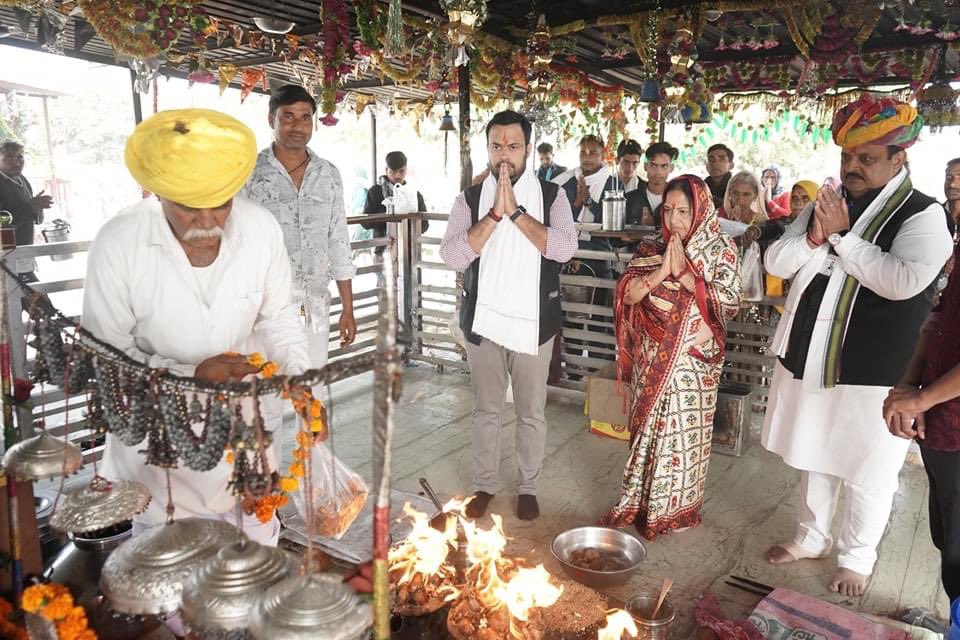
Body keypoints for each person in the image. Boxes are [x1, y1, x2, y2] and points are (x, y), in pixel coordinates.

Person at [82, 109, 311, 545]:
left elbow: (279, 316)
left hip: (245, 435)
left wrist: (298, 375)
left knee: (256, 560)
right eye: (189, 208)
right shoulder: (119, 242)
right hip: (161, 449)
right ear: (157, 193)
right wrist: (191, 375)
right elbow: (104, 355)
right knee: (168, 575)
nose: (207, 224)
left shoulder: (260, 229)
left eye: (221, 206)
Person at [761, 96, 953, 597]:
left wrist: (842, 240)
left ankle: (857, 557)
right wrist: (812, 236)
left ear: (898, 159)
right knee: (813, 453)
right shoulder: (827, 201)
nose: (852, 167)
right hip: (810, 357)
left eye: (866, 158)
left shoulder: (924, 214)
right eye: (848, 157)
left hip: (878, 370)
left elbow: (902, 281)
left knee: (868, 468)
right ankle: (811, 536)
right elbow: (778, 264)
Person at [440, 110, 577, 520]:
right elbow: (452, 255)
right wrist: (495, 215)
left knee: (531, 411)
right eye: (497, 146)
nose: (505, 155)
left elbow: (564, 249)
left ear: (528, 150)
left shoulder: (554, 196)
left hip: (535, 322)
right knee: (486, 409)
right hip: (483, 322)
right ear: (487, 148)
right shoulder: (469, 199)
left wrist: (517, 213)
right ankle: (484, 484)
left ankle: (528, 486)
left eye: (513, 146)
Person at [600, 175, 741, 538]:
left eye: (683, 211)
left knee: (681, 436)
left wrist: (687, 277)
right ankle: (638, 502)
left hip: (695, 362)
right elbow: (627, 296)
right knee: (646, 428)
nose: (675, 219)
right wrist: (663, 270)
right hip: (652, 354)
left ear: (701, 210)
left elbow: (731, 301)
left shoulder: (720, 249)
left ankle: (675, 510)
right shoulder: (651, 247)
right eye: (668, 210)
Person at [242, 84, 357, 369]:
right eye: (288, 116)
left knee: (310, 394)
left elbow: (338, 241)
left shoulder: (328, 174)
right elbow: (238, 242)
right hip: (263, 311)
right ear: (272, 120)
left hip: (315, 309)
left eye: (306, 117)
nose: (298, 126)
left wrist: (348, 308)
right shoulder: (249, 173)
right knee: (265, 398)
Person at [883, 232, 960, 604]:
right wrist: (910, 386)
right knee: (949, 540)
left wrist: (924, 396)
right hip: (942, 427)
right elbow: (941, 313)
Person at [0, 141, 52, 281]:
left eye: (20, 157)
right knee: (34, 299)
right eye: (9, 157)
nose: (16, 162)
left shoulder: (22, 179)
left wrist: (38, 208)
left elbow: (33, 217)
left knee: (32, 299)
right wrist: (31, 208)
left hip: (24, 253)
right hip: (6, 258)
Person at [361, 150, 428, 253]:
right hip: (383, 248)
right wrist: (388, 216)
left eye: (401, 171)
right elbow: (365, 223)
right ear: (386, 170)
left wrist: (408, 223)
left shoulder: (414, 194)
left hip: (409, 251)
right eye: (393, 171)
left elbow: (424, 225)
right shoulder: (375, 192)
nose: (397, 175)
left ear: (406, 170)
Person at [626, 141, 677, 228]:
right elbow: (620, 238)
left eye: (664, 166)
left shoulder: (678, 199)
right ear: (645, 166)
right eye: (653, 165)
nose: (658, 172)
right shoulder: (630, 199)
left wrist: (653, 228)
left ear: (671, 168)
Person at [704, 143, 734, 210]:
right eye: (711, 160)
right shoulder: (701, 187)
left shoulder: (737, 186)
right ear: (707, 166)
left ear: (731, 165)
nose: (715, 163)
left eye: (721, 159)